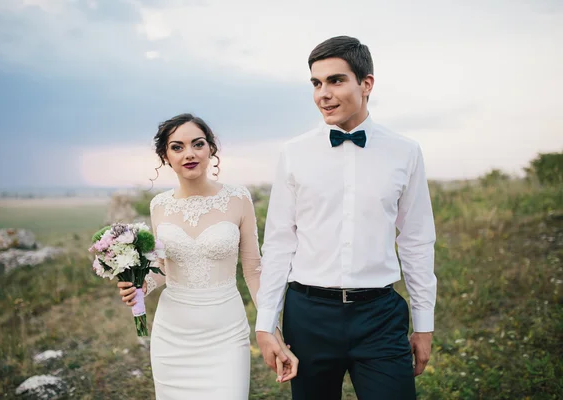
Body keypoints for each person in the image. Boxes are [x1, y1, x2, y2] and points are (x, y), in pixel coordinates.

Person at [255, 36, 437, 400]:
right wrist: (265, 325)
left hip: (380, 317)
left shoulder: (405, 152)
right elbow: (278, 243)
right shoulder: (293, 154)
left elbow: (416, 240)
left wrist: (424, 324)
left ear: (366, 84)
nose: (323, 93)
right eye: (316, 83)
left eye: (336, 81)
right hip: (308, 317)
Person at [117, 113, 297, 399]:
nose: (189, 153)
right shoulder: (159, 205)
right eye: (177, 147)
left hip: (225, 331)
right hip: (172, 335)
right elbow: (163, 266)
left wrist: (271, 328)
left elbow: (253, 270)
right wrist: (141, 285)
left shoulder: (238, 199)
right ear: (165, 155)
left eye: (197, 144)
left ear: (211, 149)